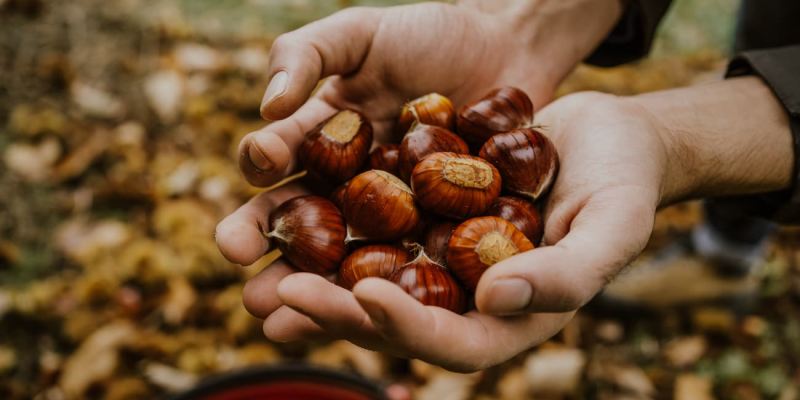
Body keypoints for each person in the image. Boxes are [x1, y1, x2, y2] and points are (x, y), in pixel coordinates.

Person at [215, 0, 800, 371]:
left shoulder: (453, 182)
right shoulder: (433, 177)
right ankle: (726, 246)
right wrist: (516, 25)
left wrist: (663, 140)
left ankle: (725, 256)